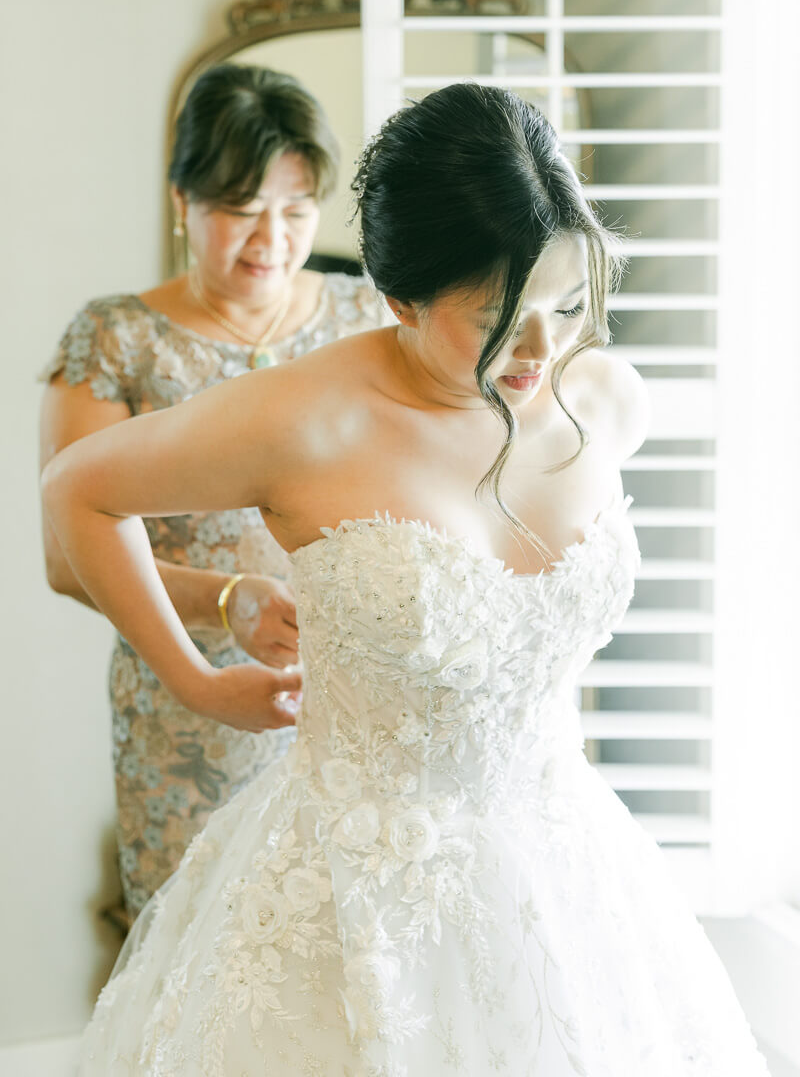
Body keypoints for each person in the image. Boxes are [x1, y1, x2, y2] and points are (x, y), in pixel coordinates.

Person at [43, 84, 770, 1075]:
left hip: (567, 872)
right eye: (498, 319)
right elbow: (77, 493)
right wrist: (195, 675)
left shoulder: (603, 399)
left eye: (564, 306)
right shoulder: (304, 419)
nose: (541, 351)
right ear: (399, 299)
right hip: (355, 892)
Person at [38, 63, 386, 924]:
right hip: (182, 702)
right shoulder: (114, 337)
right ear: (181, 201)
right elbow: (65, 560)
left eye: (297, 210)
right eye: (241, 209)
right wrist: (226, 602)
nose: (271, 238)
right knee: (195, 949)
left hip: (347, 692)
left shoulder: (367, 319)